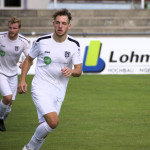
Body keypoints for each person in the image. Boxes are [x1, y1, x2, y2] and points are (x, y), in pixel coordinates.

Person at [18, 8, 82, 150]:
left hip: (59, 90)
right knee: (53, 122)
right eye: (58, 23)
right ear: (53, 24)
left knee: (45, 127)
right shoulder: (41, 41)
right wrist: (22, 80)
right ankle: (28, 148)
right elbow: (28, 60)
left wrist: (72, 71)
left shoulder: (74, 45)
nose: (60, 26)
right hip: (40, 86)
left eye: (64, 23)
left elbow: (79, 70)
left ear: (69, 26)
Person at [0, 16, 30, 131]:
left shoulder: (23, 42)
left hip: (13, 74)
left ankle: (2, 118)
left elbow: (29, 59)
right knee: (7, 97)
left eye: (14, 28)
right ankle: (0, 118)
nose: (11, 30)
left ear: (19, 29)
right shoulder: (1, 37)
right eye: (10, 28)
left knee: (9, 104)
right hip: (1, 72)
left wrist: (25, 64)